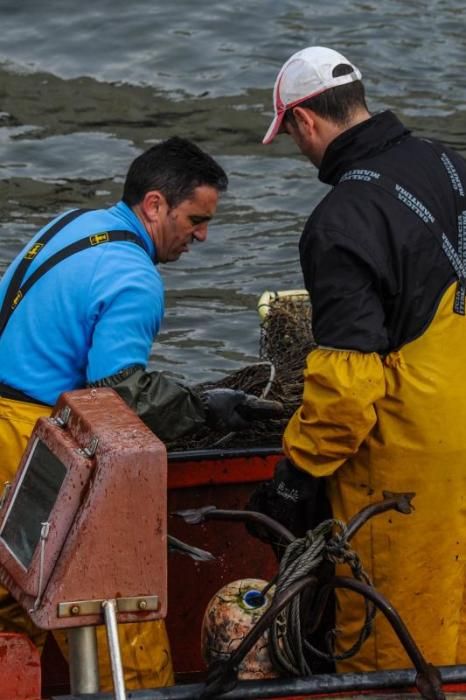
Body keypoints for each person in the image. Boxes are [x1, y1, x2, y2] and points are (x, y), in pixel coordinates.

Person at [0, 136, 275, 691]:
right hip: (30, 445)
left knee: (9, 609)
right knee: (117, 623)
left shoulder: (72, 226)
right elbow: (119, 390)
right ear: (154, 205)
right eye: (195, 219)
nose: (202, 235)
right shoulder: (135, 277)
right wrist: (202, 406)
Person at [257, 46, 466, 673]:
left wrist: (296, 476)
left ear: (302, 122)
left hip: (408, 460)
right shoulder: (451, 164)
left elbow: (347, 390)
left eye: (291, 135)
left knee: (391, 646)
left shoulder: (340, 220)